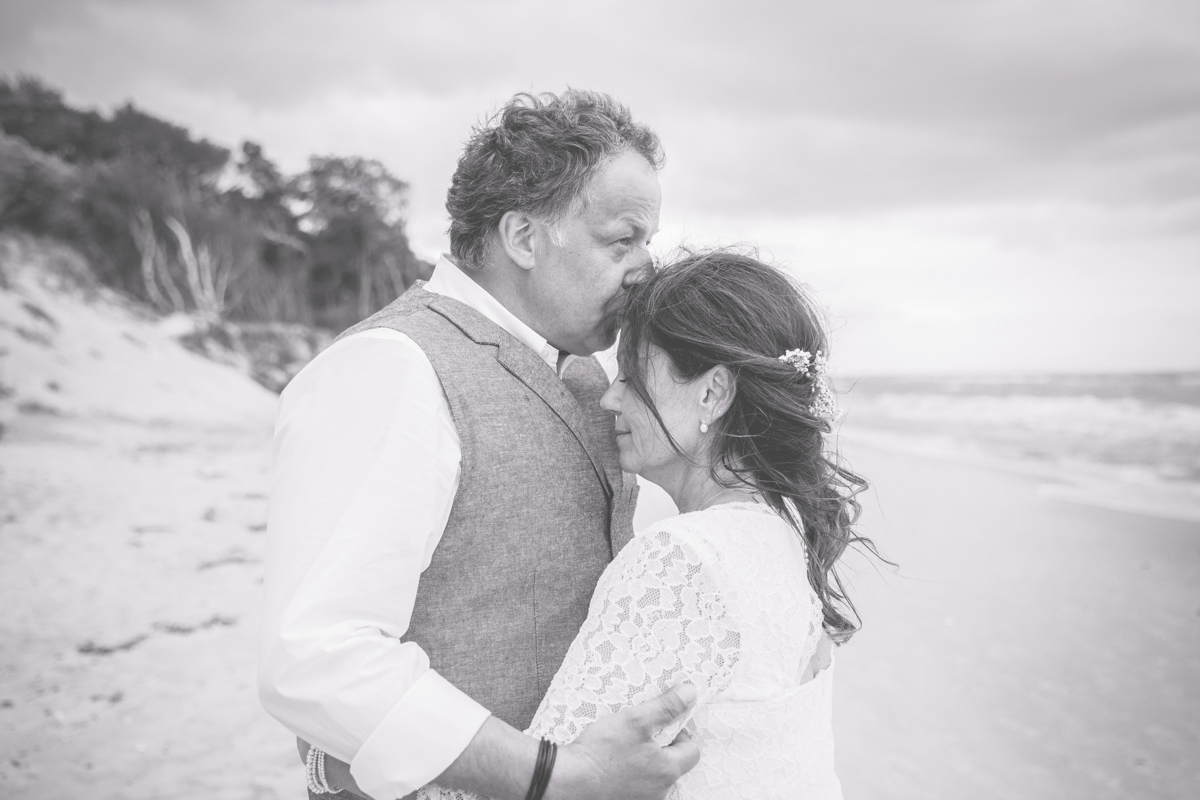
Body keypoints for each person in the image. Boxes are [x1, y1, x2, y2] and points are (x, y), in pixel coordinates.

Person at [258, 90, 701, 800]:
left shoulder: (590, 377)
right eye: (623, 240)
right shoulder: (391, 367)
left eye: (648, 241)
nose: (644, 266)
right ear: (524, 238)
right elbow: (314, 658)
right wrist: (555, 777)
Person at [409, 249, 878, 799]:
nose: (609, 396)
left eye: (632, 376)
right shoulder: (784, 530)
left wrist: (352, 757)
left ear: (713, 392)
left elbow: (557, 786)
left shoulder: (683, 559)